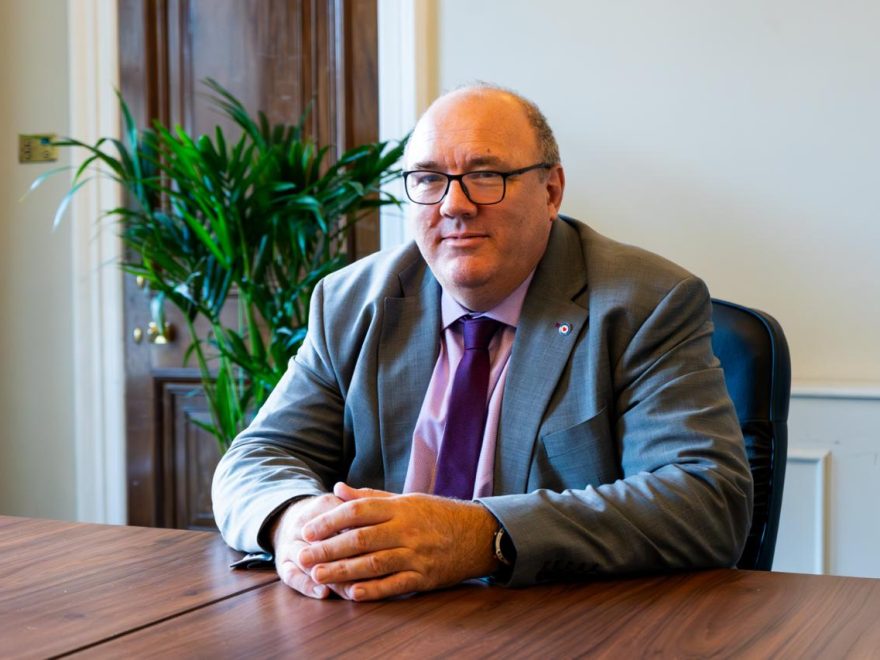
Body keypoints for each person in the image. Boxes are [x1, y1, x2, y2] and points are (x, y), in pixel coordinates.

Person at [212, 83, 753, 602]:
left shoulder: (644, 304)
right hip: (374, 615)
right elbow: (258, 457)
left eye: (485, 175)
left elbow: (705, 500)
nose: (454, 205)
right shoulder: (351, 302)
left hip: (561, 624)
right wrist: (294, 519)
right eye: (429, 179)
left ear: (551, 191)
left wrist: (480, 537)